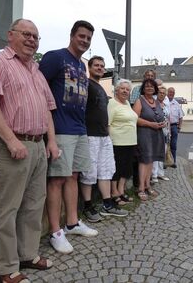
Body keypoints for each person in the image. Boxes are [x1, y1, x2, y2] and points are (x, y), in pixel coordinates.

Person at [0, 18, 59, 283]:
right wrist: (12, 140)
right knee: (8, 209)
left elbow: (46, 109)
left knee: (34, 206)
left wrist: (52, 141)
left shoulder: (35, 70)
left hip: (37, 147)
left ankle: (28, 254)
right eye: (26, 34)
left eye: (36, 36)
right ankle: (6, 268)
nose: (32, 40)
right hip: (10, 147)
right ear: (10, 35)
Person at [39, 20, 98, 255]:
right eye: (81, 36)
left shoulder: (80, 65)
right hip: (60, 128)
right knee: (56, 179)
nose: (84, 40)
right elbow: (39, 88)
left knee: (73, 176)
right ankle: (55, 232)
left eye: (88, 38)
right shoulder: (55, 57)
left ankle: (72, 223)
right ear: (72, 35)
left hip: (79, 129)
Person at [79, 56, 128, 221]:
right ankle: (87, 206)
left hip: (103, 135)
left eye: (102, 66)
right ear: (90, 68)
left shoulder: (100, 88)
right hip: (90, 135)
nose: (100, 68)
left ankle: (107, 203)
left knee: (106, 170)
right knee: (89, 172)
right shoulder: (86, 84)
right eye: (96, 65)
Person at [133, 78, 166, 201]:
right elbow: (135, 118)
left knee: (151, 160)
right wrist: (150, 124)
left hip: (156, 134)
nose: (149, 88)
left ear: (155, 89)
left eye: (152, 87)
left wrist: (162, 122)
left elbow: (161, 116)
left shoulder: (157, 102)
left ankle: (148, 185)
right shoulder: (139, 101)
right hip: (144, 133)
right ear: (143, 88)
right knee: (144, 160)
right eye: (147, 86)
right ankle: (141, 188)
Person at [108, 79, 138, 205]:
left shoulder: (126, 104)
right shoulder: (112, 103)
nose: (125, 91)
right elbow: (108, 124)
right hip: (117, 141)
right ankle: (114, 192)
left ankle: (121, 190)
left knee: (126, 168)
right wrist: (109, 141)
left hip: (130, 141)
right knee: (117, 168)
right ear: (117, 90)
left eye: (127, 89)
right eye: (122, 88)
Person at [152, 85, 170, 182]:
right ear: (157, 93)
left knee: (163, 152)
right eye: (160, 92)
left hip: (165, 132)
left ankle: (160, 173)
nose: (162, 94)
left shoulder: (166, 105)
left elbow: (168, 119)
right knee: (156, 153)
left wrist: (169, 132)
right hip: (156, 131)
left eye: (163, 93)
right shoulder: (154, 104)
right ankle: (154, 174)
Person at [167, 87, 184, 168]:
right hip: (165, 126)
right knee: (165, 145)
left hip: (174, 126)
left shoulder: (176, 104)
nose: (171, 94)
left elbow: (181, 117)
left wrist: (179, 127)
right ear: (167, 93)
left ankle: (173, 162)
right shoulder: (164, 102)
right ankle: (165, 162)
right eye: (170, 92)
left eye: (173, 92)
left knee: (173, 145)